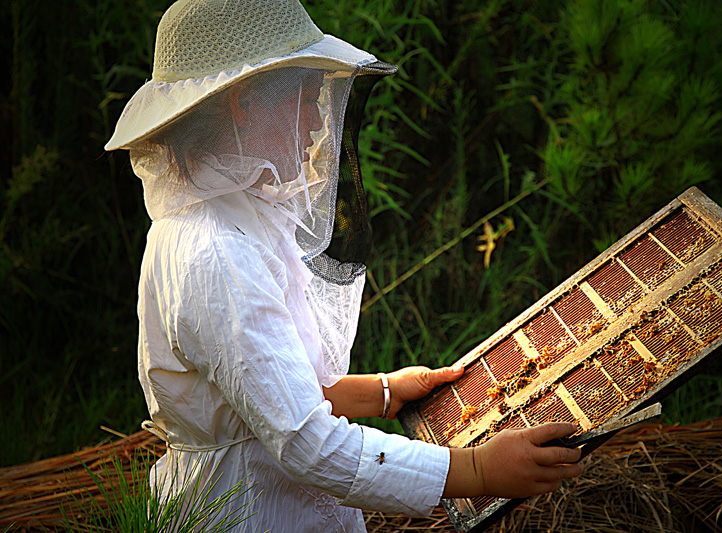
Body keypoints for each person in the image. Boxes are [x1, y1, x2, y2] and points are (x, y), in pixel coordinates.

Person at [104, 0, 584, 531]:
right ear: (245, 106)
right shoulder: (216, 251)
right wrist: (476, 468)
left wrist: (380, 391)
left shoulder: (236, 216)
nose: (317, 118)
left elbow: (258, 389)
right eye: (305, 94)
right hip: (247, 514)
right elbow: (305, 443)